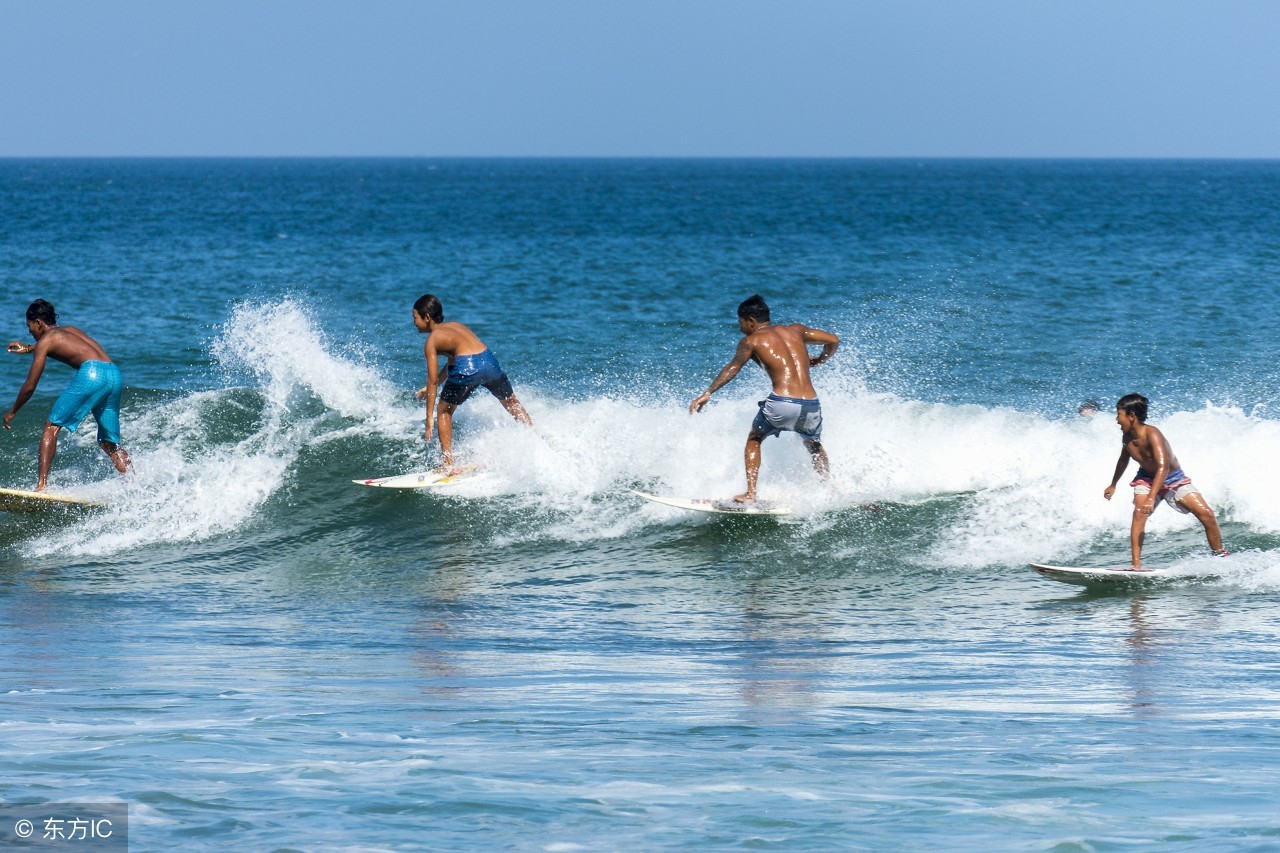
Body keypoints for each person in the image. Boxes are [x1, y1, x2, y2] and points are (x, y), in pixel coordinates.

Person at [689, 294, 840, 503]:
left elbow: (733, 367)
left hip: (782, 403)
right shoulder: (796, 330)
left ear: (750, 321)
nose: (740, 327)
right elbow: (833, 340)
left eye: (741, 322)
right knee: (814, 445)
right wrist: (821, 360)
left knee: (755, 439)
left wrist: (709, 392)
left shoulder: (751, 340)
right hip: (811, 404)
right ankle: (827, 489)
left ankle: (750, 493)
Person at [4, 299, 132, 491]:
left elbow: (30, 385)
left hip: (92, 375)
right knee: (108, 442)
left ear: (38, 322)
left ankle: (41, 487)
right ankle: (134, 483)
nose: (29, 331)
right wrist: (29, 348)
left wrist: (13, 411)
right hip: (113, 373)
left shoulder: (45, 341)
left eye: (29, 326)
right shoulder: (72, 330)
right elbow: (62, 345)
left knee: (51, 426)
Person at [1103, 393, 1227, 569]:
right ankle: (1136, 566)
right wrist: (1113, 484)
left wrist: (1151, 497)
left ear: (1131, 416)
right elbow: (1124, 460)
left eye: (1118, 414)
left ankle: (1220, 555)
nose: (1116, 419)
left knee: (1207, 513)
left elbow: (1164, 467)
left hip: (1173, 478)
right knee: (1139, 514)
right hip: (1146, 478)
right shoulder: (1127, 437)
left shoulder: (1152, 434)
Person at [412, 294, 532, 473]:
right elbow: (455, 359)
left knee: (444, 411)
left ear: (427, 317)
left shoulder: (431, 341)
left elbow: (433, 381)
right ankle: (534, 439)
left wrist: (429, 418)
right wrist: (434, 385)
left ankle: (447, 464)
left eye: (415, 317)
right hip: (489, 361)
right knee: (511, 402)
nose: (414, 322)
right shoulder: (456, 326)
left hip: (468, 368)